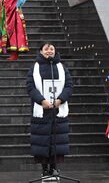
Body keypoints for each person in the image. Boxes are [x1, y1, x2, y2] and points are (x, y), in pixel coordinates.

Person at [27, 43, 73, 178]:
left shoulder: (61, 67)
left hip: (58, 110)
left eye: (52, 49)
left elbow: (69, 85)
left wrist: (60, 99)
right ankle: (44, 168)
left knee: (57, 140)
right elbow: (30, 87)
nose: (49, 51)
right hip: (42, 110)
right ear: (41, 51)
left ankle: (54, 168)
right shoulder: (35, 68)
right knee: (42, 141)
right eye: (46, 49)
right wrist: (42, 101)